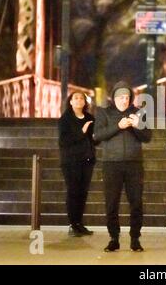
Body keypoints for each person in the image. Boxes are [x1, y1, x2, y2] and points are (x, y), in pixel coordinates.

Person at [94, 81, 152, 252]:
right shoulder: (104, 112)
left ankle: (135, 238)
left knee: (136, 202)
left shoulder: (138, 113)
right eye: (121, 97)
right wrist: (118, 126)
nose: (124, 100)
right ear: (114, 98)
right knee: (111, 203)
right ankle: (114, 238)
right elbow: (98, 135)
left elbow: (147, 136)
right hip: (111, 164)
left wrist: (137, 125)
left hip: (134, 164)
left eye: (127, 97)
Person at [58, 91, 96, 237]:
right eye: (76, 98)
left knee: (83, 193)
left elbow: (94, 140)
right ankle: (73, 224)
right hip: (71, 162)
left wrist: (95, 137)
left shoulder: (90, 118)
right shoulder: (65, 120)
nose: (79, 100)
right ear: (71, 102)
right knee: (73, 192)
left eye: (82, 98)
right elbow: (63, 142)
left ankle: (80, 223)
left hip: (87, 160)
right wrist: (82, 131)